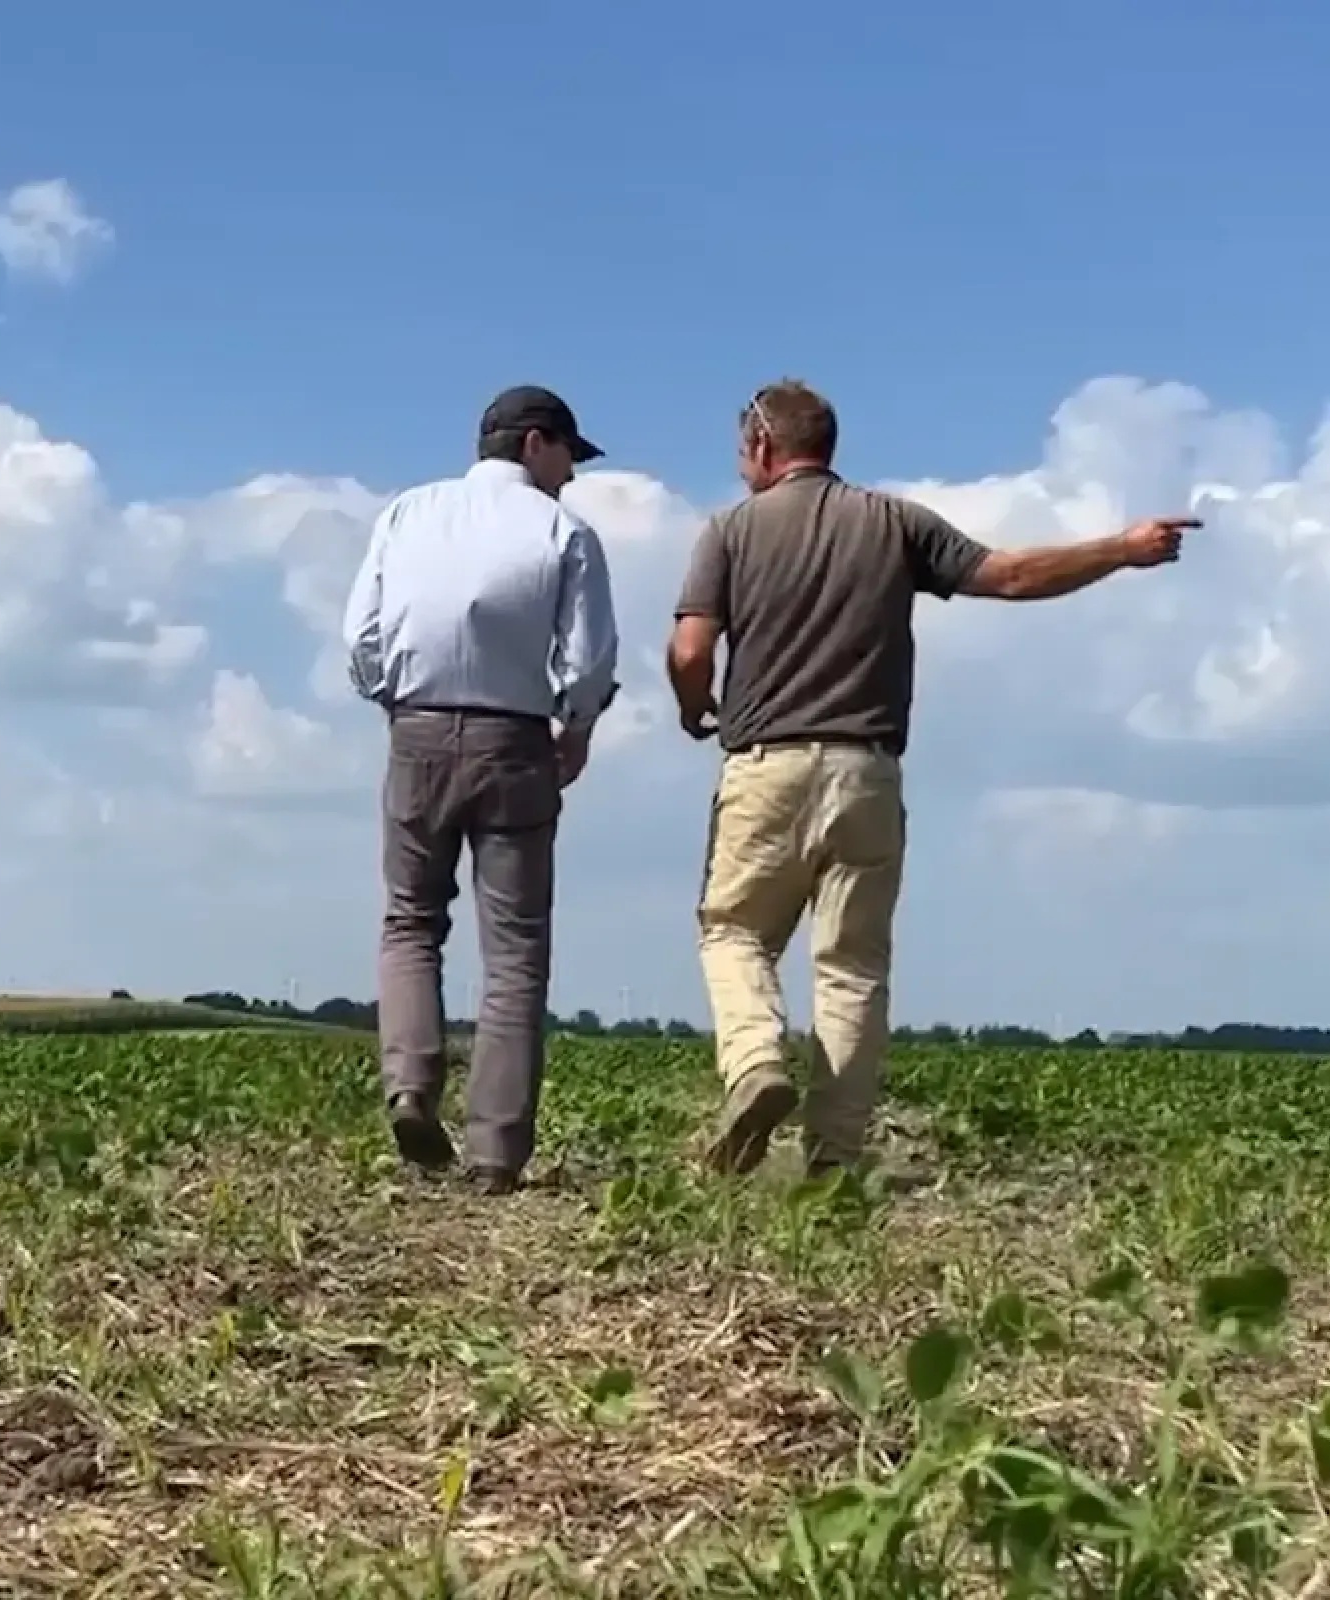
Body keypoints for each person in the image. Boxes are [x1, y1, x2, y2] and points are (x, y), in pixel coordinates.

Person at [665, 379, 1193, 1179]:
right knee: (851, 969)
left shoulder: (729, 532)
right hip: (868, 772)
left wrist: (693, 705)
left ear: (765, 447)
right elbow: (1009, 575)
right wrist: (1122, 548)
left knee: (734, 930)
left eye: (743, 453)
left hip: (765, 765)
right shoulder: (894, 522)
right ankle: (834, 1161)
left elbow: (691, 652)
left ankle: (755, 1067)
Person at [340, 384, 620, 1194]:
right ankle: (496, 1152)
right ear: (537, 444)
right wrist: (578, 724)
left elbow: (361, 634)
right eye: (570, 454)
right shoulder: (564, 529)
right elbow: (589, 658)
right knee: (515, 952)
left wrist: (394, 700)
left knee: (410, 922)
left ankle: (409, 1087)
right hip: (515, 741)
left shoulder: (406, 512)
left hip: (417, 731)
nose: (572, 473)